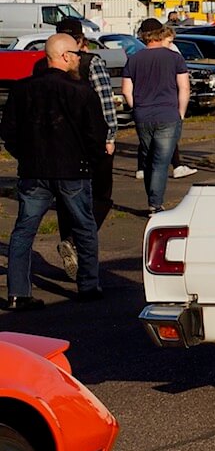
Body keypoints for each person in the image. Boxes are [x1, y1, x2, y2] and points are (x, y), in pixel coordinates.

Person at [1, 34, 108, 309]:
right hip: (73, 169)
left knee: (24, 230)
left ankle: (18, 293)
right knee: (84, 226)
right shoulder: (81, 91)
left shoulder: (22, 89)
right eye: (76, 54)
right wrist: (92, 160)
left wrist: (25, 156)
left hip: (34, 169)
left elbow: (9, 133)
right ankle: (88, 284)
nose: (78, 58)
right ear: (64, 56)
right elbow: (97, 134)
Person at [52, 18, 117, 283]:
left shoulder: (44, 64)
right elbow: (105, 102)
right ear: (81, 40)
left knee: (66, 200)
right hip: (91, 140)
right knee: (101, 195)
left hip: (58, 144)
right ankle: (75, 244)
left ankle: (71, 243)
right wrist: (110, 135)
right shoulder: (93, 63)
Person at [123, 20, 190, 215]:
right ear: (161, 34)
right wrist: (181, 112)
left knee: (149, 158)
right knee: (161, 161)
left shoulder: (133, 59)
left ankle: (152, 198)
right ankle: (155, 203)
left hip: (143, 114)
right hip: (168, 113)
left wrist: (137, 108)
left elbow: (127, 91)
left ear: (143, 36)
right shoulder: (174, 58)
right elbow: (184, 87)